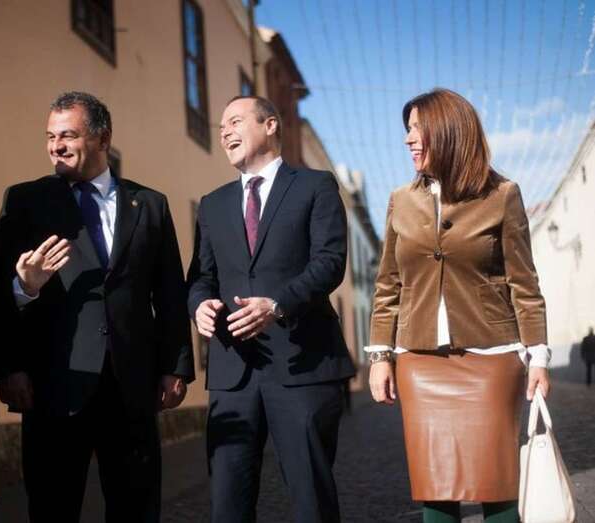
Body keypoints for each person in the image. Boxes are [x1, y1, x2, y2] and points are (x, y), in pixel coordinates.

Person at [0, 91, 195, 523]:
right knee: (52, 506)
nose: (56, 146)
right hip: (54, 386)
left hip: (131, 385)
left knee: (137, 505)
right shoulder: (25, 201)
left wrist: (176, 366)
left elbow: (170, 294)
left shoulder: (150, 205)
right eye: (50, 137)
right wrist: (10, 368)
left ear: (103, 138)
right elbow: (1, 292)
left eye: (68, 135)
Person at [367, 88, 551, 523]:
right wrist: (380, 356)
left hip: (492, 357)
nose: (409, 139)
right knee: (436, 488)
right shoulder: (401, 199)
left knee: (498, 486)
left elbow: (524, 282)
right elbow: (388, 284)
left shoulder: (502, 194)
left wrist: (539, 356)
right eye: (407, 130)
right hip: (420, 362)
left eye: (417, 129)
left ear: (447, 131)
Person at [187, 95, 354, 523]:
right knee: (227, 501)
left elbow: (329, 263)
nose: (224, 131)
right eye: (221, 126)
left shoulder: (315, 186)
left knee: (310, 499)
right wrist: (199, 305)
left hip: (302, 365)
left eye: (236, 121)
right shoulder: (212, 204)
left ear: (271, 125)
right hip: (232, 372)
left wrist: (278, 305)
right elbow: (201, 276)